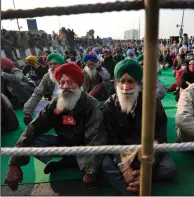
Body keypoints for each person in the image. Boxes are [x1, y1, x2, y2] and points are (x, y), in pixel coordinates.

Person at [4, 63, 108, 191]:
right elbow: (34, 127)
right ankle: (70, 161)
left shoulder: (91, 104)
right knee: (33, 140)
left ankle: (68, 163)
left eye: (70, 82)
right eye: (62, 83)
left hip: (83, 146)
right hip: (63, 143)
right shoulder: (55, 103)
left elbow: (95, 137)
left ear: (79, 84)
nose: (65, 87)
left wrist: (90, 171)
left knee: (102, 160)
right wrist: (14, 164)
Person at [102, 59, 176, 195]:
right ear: (116, 84)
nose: (126, 87)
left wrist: (145, 169)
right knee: (105, 164)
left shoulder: (153, 103)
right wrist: (124, 167)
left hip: (147, 153)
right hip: (124, 153)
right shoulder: (109, 105)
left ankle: (135, 180)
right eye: (122, 82)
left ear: (139, 83)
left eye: (130, 81)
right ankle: (134, 188)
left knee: (168, 169)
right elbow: (111, 140)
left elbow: (160, 137)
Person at [23, 53, 65, 125]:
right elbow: (37, 92)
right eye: (50, 64)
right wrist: (27, 112)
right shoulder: (47, 76)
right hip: (53, 102)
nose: (52, 66)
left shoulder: (68, 74)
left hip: (67, 102)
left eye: (55, 64)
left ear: (61, 64)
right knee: (35, 108)